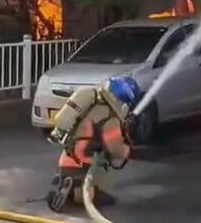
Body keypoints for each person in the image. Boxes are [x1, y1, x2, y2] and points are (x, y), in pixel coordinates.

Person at [47, 76, 140, 211]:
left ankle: (64, 182)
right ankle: (78, 192)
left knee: (77, 173)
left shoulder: (91, 102)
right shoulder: (110, 119)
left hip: (67, 157)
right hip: (85, 163)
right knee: (101, 196)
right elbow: (115, 150)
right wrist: (129, 150)